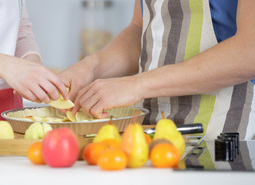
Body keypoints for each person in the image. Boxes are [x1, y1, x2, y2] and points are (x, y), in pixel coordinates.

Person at [59, 0, 255, 140]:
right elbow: (140, 30)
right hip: (151, 127)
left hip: (223, 130)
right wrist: (90, 66)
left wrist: (137, 85)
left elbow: (249, 52)